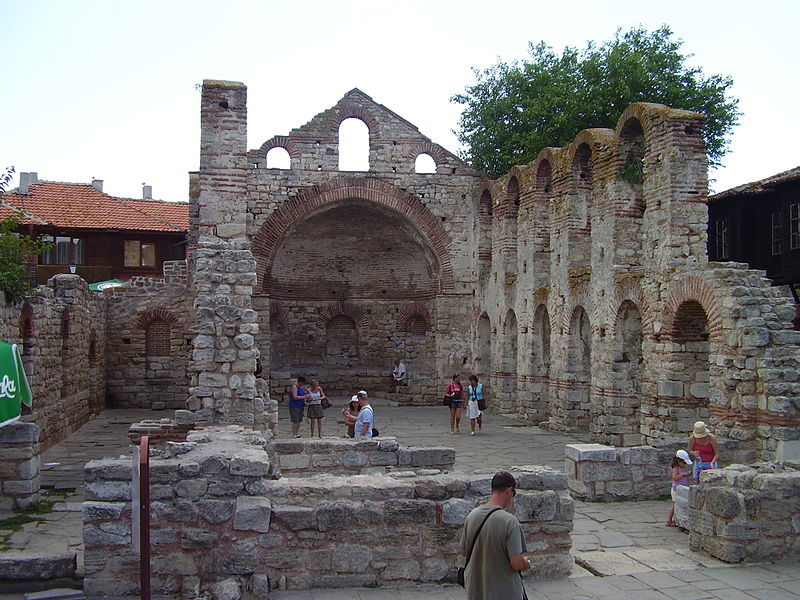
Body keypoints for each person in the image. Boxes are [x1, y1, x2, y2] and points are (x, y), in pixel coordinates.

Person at [459, 471, 530, 600]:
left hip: (476, 592)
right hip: (503, 593)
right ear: (509, 491)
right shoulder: (510, 522)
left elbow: (464, 551)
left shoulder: (472, 515)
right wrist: (526, 563)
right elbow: (516, 563)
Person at [667, 450, 692, 527]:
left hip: (682, 488)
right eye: (684, 462)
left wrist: (687, 475)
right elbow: (675, 478)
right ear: (678, 460)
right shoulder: (676, 468)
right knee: (675, 505)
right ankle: (669, 520)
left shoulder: (681, 468)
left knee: (680, 505)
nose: (684, 465)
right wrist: (683, 474)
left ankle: (676, 519)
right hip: (676, 489)